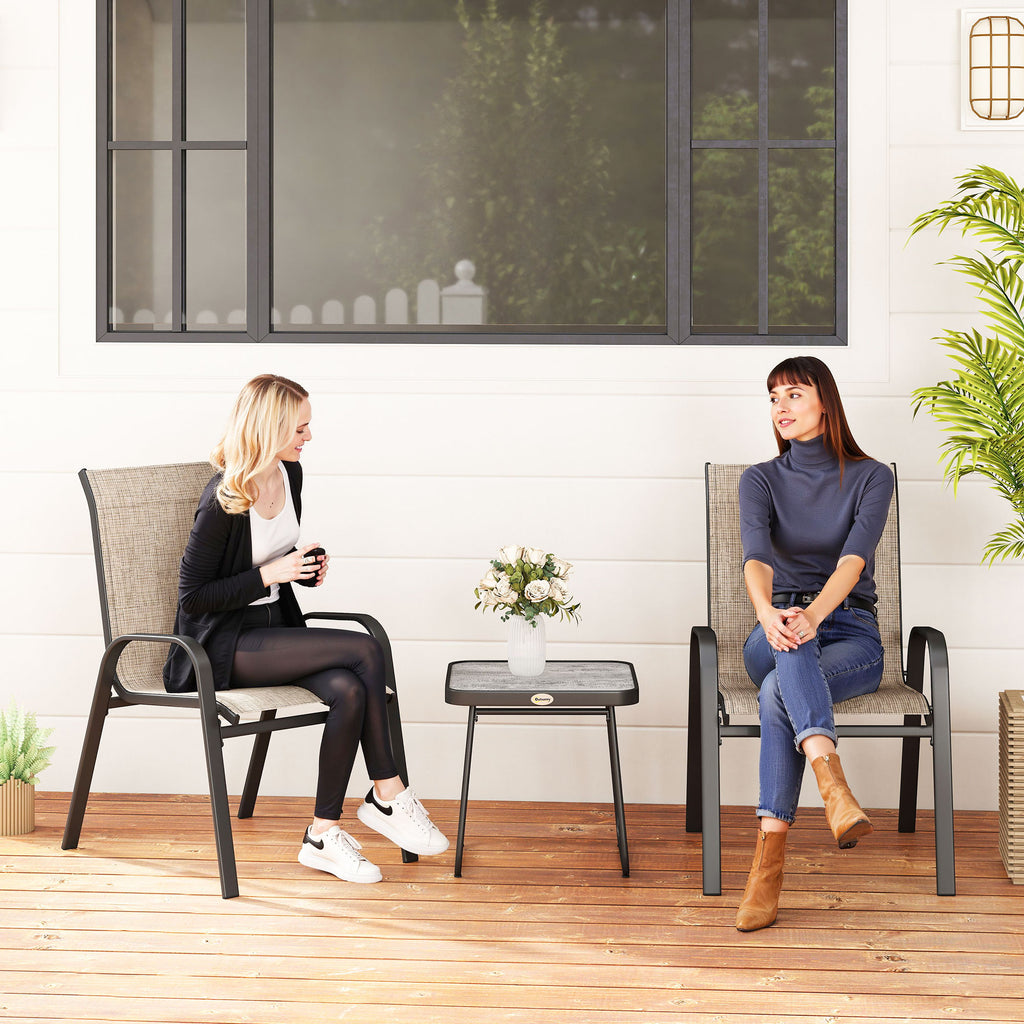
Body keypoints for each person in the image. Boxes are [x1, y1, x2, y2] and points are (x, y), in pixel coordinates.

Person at [163, 373, 448, 884]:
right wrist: (271, 574)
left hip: (277, 628)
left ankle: (322, 834)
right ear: (268, 428)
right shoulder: (224, 499)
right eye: (299, 428)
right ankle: (388, 793)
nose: (308, 437)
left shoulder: (289, 473)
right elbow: (193, 597)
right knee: (364, 649)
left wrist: (303, 567)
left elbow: (273, 559)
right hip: (223, 644)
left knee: (349, 690)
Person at [735, 356, 893, 931]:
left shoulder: (872, 476)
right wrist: (768, 613)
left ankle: (767, 866)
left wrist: (815, 615)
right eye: (772, 396)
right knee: (786, 649)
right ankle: (833, 786)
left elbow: (854, 559)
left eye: (794, 394)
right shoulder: (760, 479)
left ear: (825, 401)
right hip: (773, 627)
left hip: (850, 629)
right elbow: (756, 557)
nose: (780, 406)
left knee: (778, 690)